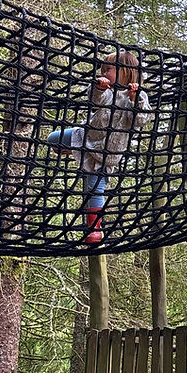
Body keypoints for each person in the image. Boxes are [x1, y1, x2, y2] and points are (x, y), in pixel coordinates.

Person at [47, 48, 152, 245]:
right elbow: (94, 101)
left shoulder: (138, 96)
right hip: (86, 137)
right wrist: (100, 88)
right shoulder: (108, 91)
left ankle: (94, 228)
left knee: (94, 189)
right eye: (103, 69)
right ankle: (73, 149)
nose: (104, 73)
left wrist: (134, 98)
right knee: (53, 139)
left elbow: (140, 119)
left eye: (108, 69)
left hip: (105, 154)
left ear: (125, 71)